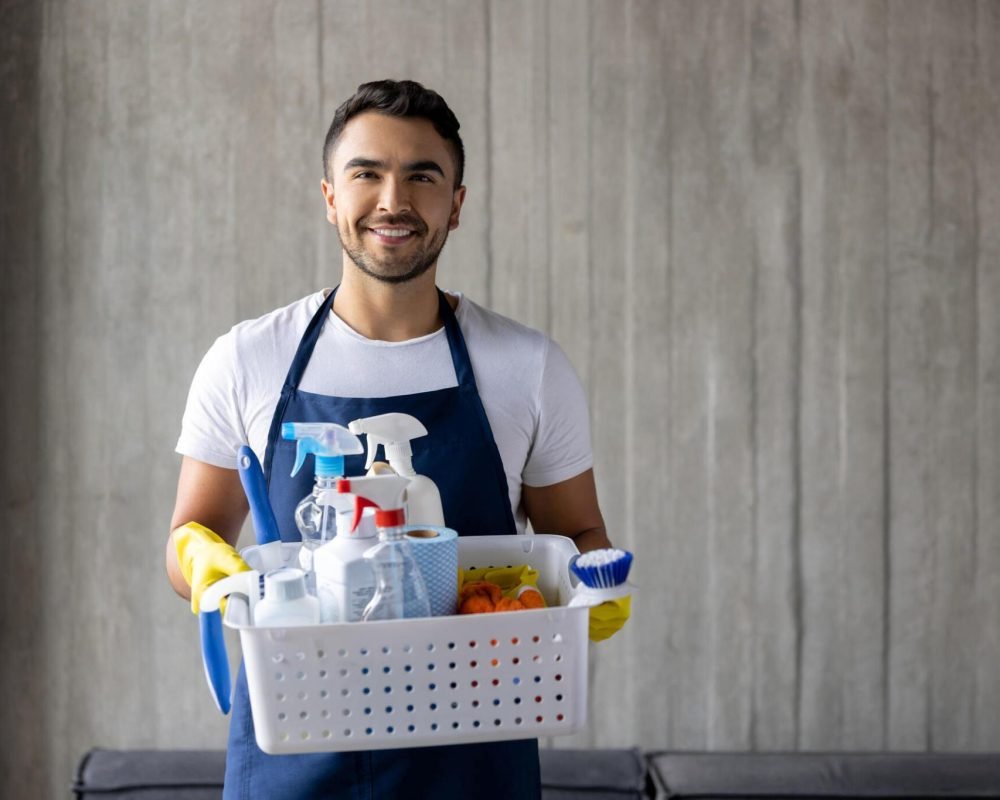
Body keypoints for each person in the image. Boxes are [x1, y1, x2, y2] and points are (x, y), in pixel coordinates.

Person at [165, 79, 630, 800]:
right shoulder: (248, 360)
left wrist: (596, 586)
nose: (393, 200)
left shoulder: (528, 368)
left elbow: (577, 532)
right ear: (328, 196)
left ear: (457, 203)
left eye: (422, 175)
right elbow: (187, 535)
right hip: (294, 760)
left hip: (475, 762)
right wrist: (203, 561)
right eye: (367, 173)